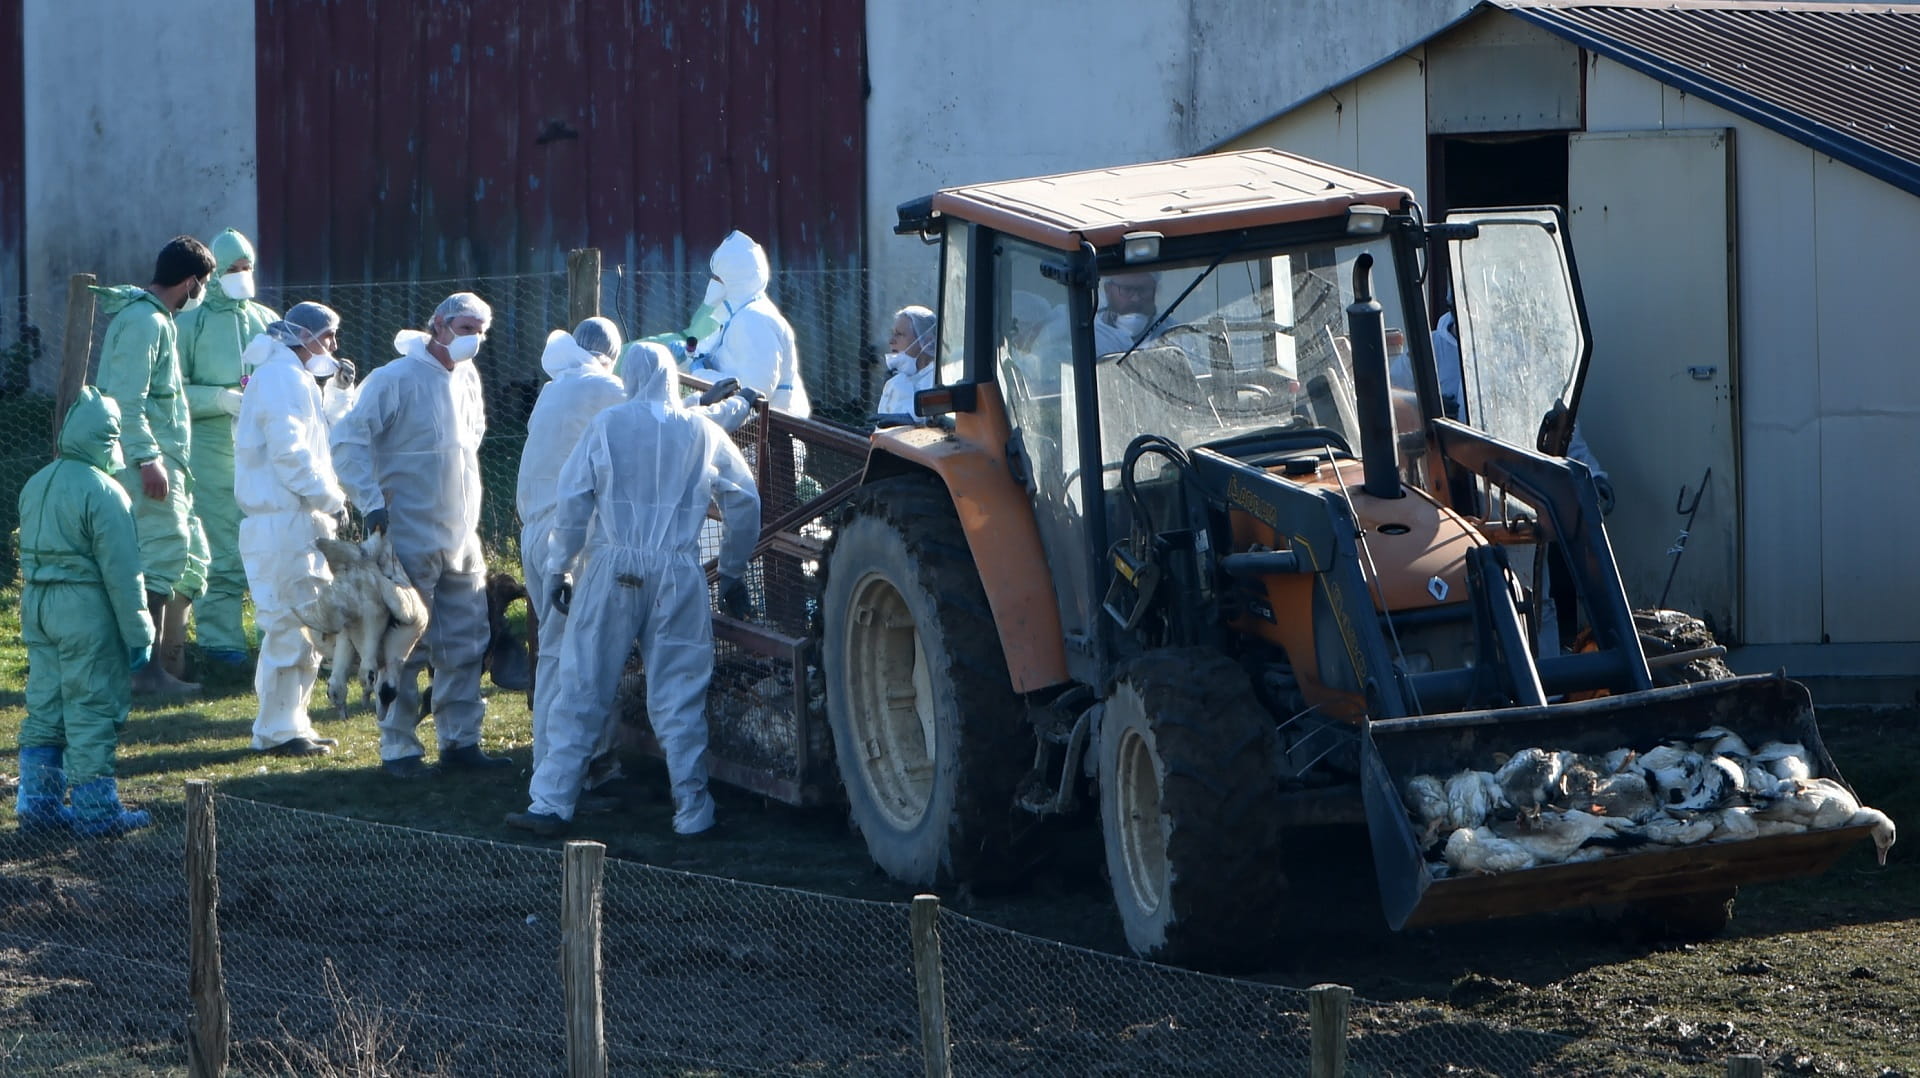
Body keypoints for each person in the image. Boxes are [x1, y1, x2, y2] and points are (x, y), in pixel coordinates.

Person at [507, 341, 761, 837]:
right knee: (680, 692)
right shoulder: (701, 430)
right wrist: (731, 571)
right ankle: (693, 812)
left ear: (628, 375)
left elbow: (574, 499)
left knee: (583, 684)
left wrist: (560, 567)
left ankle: (552, 804)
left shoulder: (608, 425)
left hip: (611, 567)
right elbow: (744, 500)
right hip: (679, 574)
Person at [331, 292, 512, 779]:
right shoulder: (394, 379)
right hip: (406, 531)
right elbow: (347, 440)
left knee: (466, 640)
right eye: (464, 326)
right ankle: (399, 748)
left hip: (460, 534)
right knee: (404, 644)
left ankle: (460, 741)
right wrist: (370, 502)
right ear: (438, 325)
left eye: (480, 329)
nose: (472, 337)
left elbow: (467, 443)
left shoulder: (468, 377)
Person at [15, 388, 156, 836]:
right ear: (107, 437)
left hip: (37, 604)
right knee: (91, 703)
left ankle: (37, 805)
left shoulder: (38, 481)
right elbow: (123, 571)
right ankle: (97, 811)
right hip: (83, 609)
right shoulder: (104, 490)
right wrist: (139, 632)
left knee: (46, 702)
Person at [93, 235, 216, 696]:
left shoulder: (151, 318)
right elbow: (128, 397)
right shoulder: (146, 322)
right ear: (189, 281)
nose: (200, 292)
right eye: (201, 283)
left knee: (172, 553)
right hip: (146, 461)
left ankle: (148, 666)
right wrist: (147, 458)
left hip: (160, 458)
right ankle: (143, 671)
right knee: (160, 553)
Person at [235, 302, 351, 758]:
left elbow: (322, 439)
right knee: (290, 625)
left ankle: (291, 722)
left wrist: (340, 393)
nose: (334, 346)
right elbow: (291, 455)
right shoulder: (279, 378)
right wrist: (331, 499)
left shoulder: (294, 379)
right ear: (304, 336)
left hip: (300, 519)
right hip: (283, 520)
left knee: (309, 628)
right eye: (329, 335)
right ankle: (276, 730)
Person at [518, 317, 629, 780]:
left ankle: (575, 760)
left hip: (535, 531)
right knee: (572, 654)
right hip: (569, 538)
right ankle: (558, 769)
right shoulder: (599, 385)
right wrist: (717, 403)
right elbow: (656, 414)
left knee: (558, 649)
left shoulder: (555, 387)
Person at [177, 228, 278, 675]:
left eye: (247, 268)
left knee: (269, 549)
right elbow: (170, 391)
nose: (242, 276)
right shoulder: (189, 325)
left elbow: (284, 379)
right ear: (213, 273)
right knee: (221, 552)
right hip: (210, 456)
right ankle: (221, 646)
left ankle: (274, 636)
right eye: (233, 269)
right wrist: (218, 399)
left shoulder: (267, 320)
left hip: (263, 454)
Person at [687, 230, 811, 417]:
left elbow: (754, 391)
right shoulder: (740, 315)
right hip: (752, 434)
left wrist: (700, 373)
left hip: (768, 440)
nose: (712, 282)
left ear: (736, 281)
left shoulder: (755, 321)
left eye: (719, 277)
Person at [872, 305, 936, 427]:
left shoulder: (939, 379)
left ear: (927, 342)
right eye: (892, 334)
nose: (891, 341)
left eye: (899, 334)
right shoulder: (896, 380)